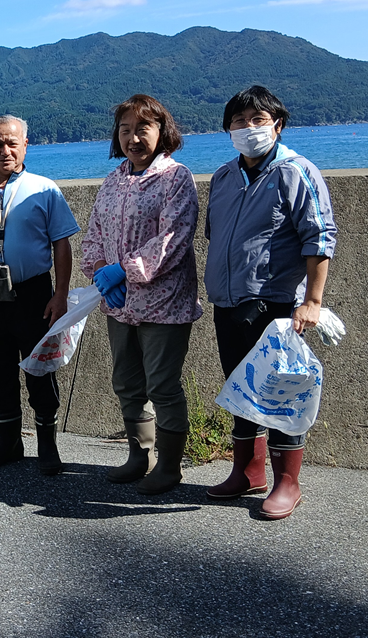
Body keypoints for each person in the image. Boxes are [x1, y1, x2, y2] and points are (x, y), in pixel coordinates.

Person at [204, 85, 337, 519]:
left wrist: (312, 300)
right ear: (228, 129)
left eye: (258, 120)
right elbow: (217, 237)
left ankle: (287, 482)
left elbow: (319, 237)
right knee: (240, 389)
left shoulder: (296, 172)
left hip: (276, 305)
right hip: (228, 303)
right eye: (240, 121)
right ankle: (248, 471)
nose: (248, 129)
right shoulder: (224, 177)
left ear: (277, 126)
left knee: (280, 392)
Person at [81, 95, 202, 494]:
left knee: (163, 385)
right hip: (120, 304)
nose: (133, 138)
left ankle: (169, 466)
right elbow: (95, 232)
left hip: (164, 303)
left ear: (161, 132)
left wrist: (126, 271)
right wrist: (101, 274)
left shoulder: (175, 178)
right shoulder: (114, 180)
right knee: (127, 381)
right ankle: (139, 455)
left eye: (142, 129)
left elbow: (173, 239)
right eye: (126, 130)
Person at [0, 114, 80, 475]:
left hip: (34, 294)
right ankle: (8, 442)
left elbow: (62, 244)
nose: (4, 150)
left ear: (26, 145)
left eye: (12, 143)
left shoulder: (45, 188)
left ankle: (47, 446)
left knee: (41, 369)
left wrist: (61, 295)